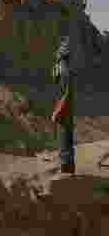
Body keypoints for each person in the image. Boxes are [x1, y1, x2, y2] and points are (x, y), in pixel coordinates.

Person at [51, 37, 75, 174]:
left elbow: (66, 94)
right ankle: (67, 168)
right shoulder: (64, 70)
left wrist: (58, 112)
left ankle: (66, 169)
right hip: (66, 110)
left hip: (64, 111)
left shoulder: (65, 71)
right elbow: (55, 79)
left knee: (64, 139)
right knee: (65, 139)